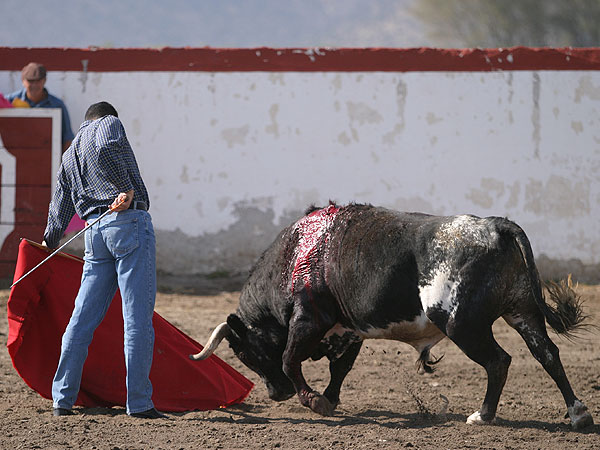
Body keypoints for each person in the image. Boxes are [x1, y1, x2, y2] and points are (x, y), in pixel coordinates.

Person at [42, 101, 165, 419]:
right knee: (136, 319)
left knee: (80, 320)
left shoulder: (69, 156)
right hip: (127, 226)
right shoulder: (107, 124)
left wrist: (49, 240)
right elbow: (110, 141)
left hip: (93, 233)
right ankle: (138, 403)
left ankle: (62, 400)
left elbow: (59, 208)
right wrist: (124, 190)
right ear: (106, 116)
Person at [6, 62, 74, 151]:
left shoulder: (57, 105)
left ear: (44, 80)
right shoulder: (9, 101)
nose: (34, 85)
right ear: (23, 81)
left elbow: (67, 138)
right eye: (30, 81)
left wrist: (64, 163)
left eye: (38, 81)